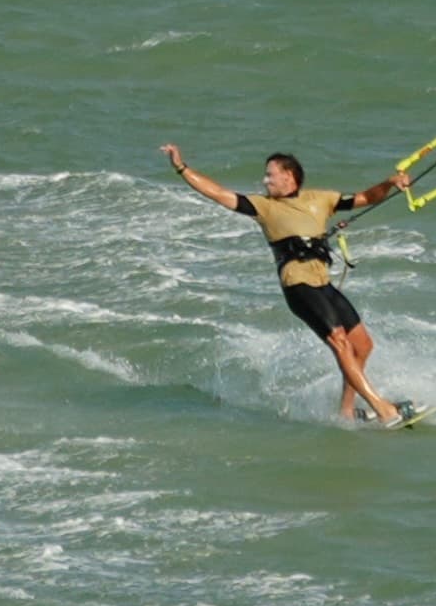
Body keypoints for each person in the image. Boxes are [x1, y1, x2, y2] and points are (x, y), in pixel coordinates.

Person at [160, 143, 415, 426]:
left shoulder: (321, 199)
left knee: (363, 345)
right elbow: (218, 193)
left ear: (289, 176)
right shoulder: (263, 207)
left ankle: (345, 410)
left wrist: (391, 183)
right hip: (298, 285)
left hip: (323, 283)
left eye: (270, 175)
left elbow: (367, 197)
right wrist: (181, 167)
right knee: (340, 343)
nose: (265, 180)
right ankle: (382, 409)